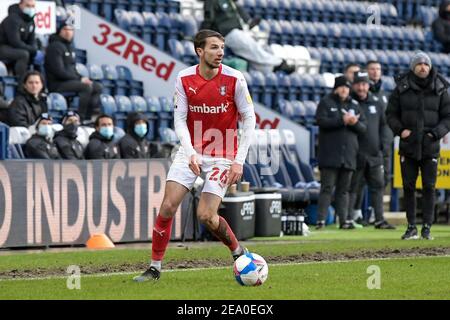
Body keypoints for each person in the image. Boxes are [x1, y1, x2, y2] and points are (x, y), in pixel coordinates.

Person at [134, 29, 256, 281]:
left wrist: (238, 160)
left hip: (223, 154)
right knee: (167, 206)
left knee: (205, 216)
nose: (220, 52)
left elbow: (250, 119)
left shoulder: (235, 79)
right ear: (199, 51)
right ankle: (155, 267)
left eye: (222, 47)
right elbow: (179, 120)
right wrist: (190, 153)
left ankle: (237, 250)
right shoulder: (184, 78)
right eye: (213, 47)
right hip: (192, 151)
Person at [386, 51, 450, 240]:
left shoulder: (440, 88)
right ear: (413, 67)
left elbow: (448, 116)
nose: (423, 67)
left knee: (430, 187)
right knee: (409, 187)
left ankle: (427, 228)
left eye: (426, 64)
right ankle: (411, 227)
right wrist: (401, 130)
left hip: (430, 146)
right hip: (408, 146)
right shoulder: (401, 88)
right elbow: (390, 114)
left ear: (430, 67)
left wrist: (435, 133)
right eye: (419, 64)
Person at [315, 76, 367, 230]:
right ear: (336, 88)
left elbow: (364, 128)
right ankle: (321, 221)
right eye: (341, 87)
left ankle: (343, 221)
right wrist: (342, 120)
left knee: (344, 190)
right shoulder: (326, 102)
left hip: (349, 155)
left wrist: (354, 122)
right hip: (330, 154)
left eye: (347, 87)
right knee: (327, 188)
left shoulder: (355, 105)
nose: (344, 89)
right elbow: (321, 121)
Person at [347, 71, 395, 230]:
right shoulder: (349, 102)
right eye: (359, 84)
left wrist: (384, 145)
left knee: (378, 187)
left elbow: (384, 126)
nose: (361, 88)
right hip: (356, 154)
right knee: (354, 187)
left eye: (364, 84)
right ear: (354, 85)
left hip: (375, 154)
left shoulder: (376, 103)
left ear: (368, 85)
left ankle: (379, 219)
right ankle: (348, 219)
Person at [201, 0, 295, 74]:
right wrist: (200, 36)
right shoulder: (211, 1)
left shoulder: (230, 2)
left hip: (237, 31)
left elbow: (240, 11)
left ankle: (272, 68)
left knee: (254, 49)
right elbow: (208, 20)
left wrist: (249, 22)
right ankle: (278, 63)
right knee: (253, 48)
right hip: (227, 33)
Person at [45, 22, 102, 122]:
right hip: (57, 83)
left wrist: (82, 78)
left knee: (97, 86)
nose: (68, 33)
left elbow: (72, 69)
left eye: (71, 30)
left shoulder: (70, 47)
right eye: (65, 30)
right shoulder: (54, 47)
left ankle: (90, 118)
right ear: (59, 31)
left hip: (69, 81)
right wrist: (80, 79)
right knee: (85, 87)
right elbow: (58, 71)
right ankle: (80, 118)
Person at [367, 60, 393, 188]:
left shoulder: (384, 95)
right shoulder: (363, 94)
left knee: (384, 180)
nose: (375, 71)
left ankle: (375, 208)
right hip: (369, 145)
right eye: (372, 69)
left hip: (385, 145)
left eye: (378, 69)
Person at [0, 0, 38, 81]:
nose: (30, 8)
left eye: (33, 6)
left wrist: (34, 49)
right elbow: (15, 42)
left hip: (17, 48)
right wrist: (32, 49)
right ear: (20, 5)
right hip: (3, 47)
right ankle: (21, 83)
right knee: (24, 54)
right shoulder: (12, 19)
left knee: (36, 55)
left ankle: (36, 83)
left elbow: (32, 40)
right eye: (28, 5)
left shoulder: (30, 21)